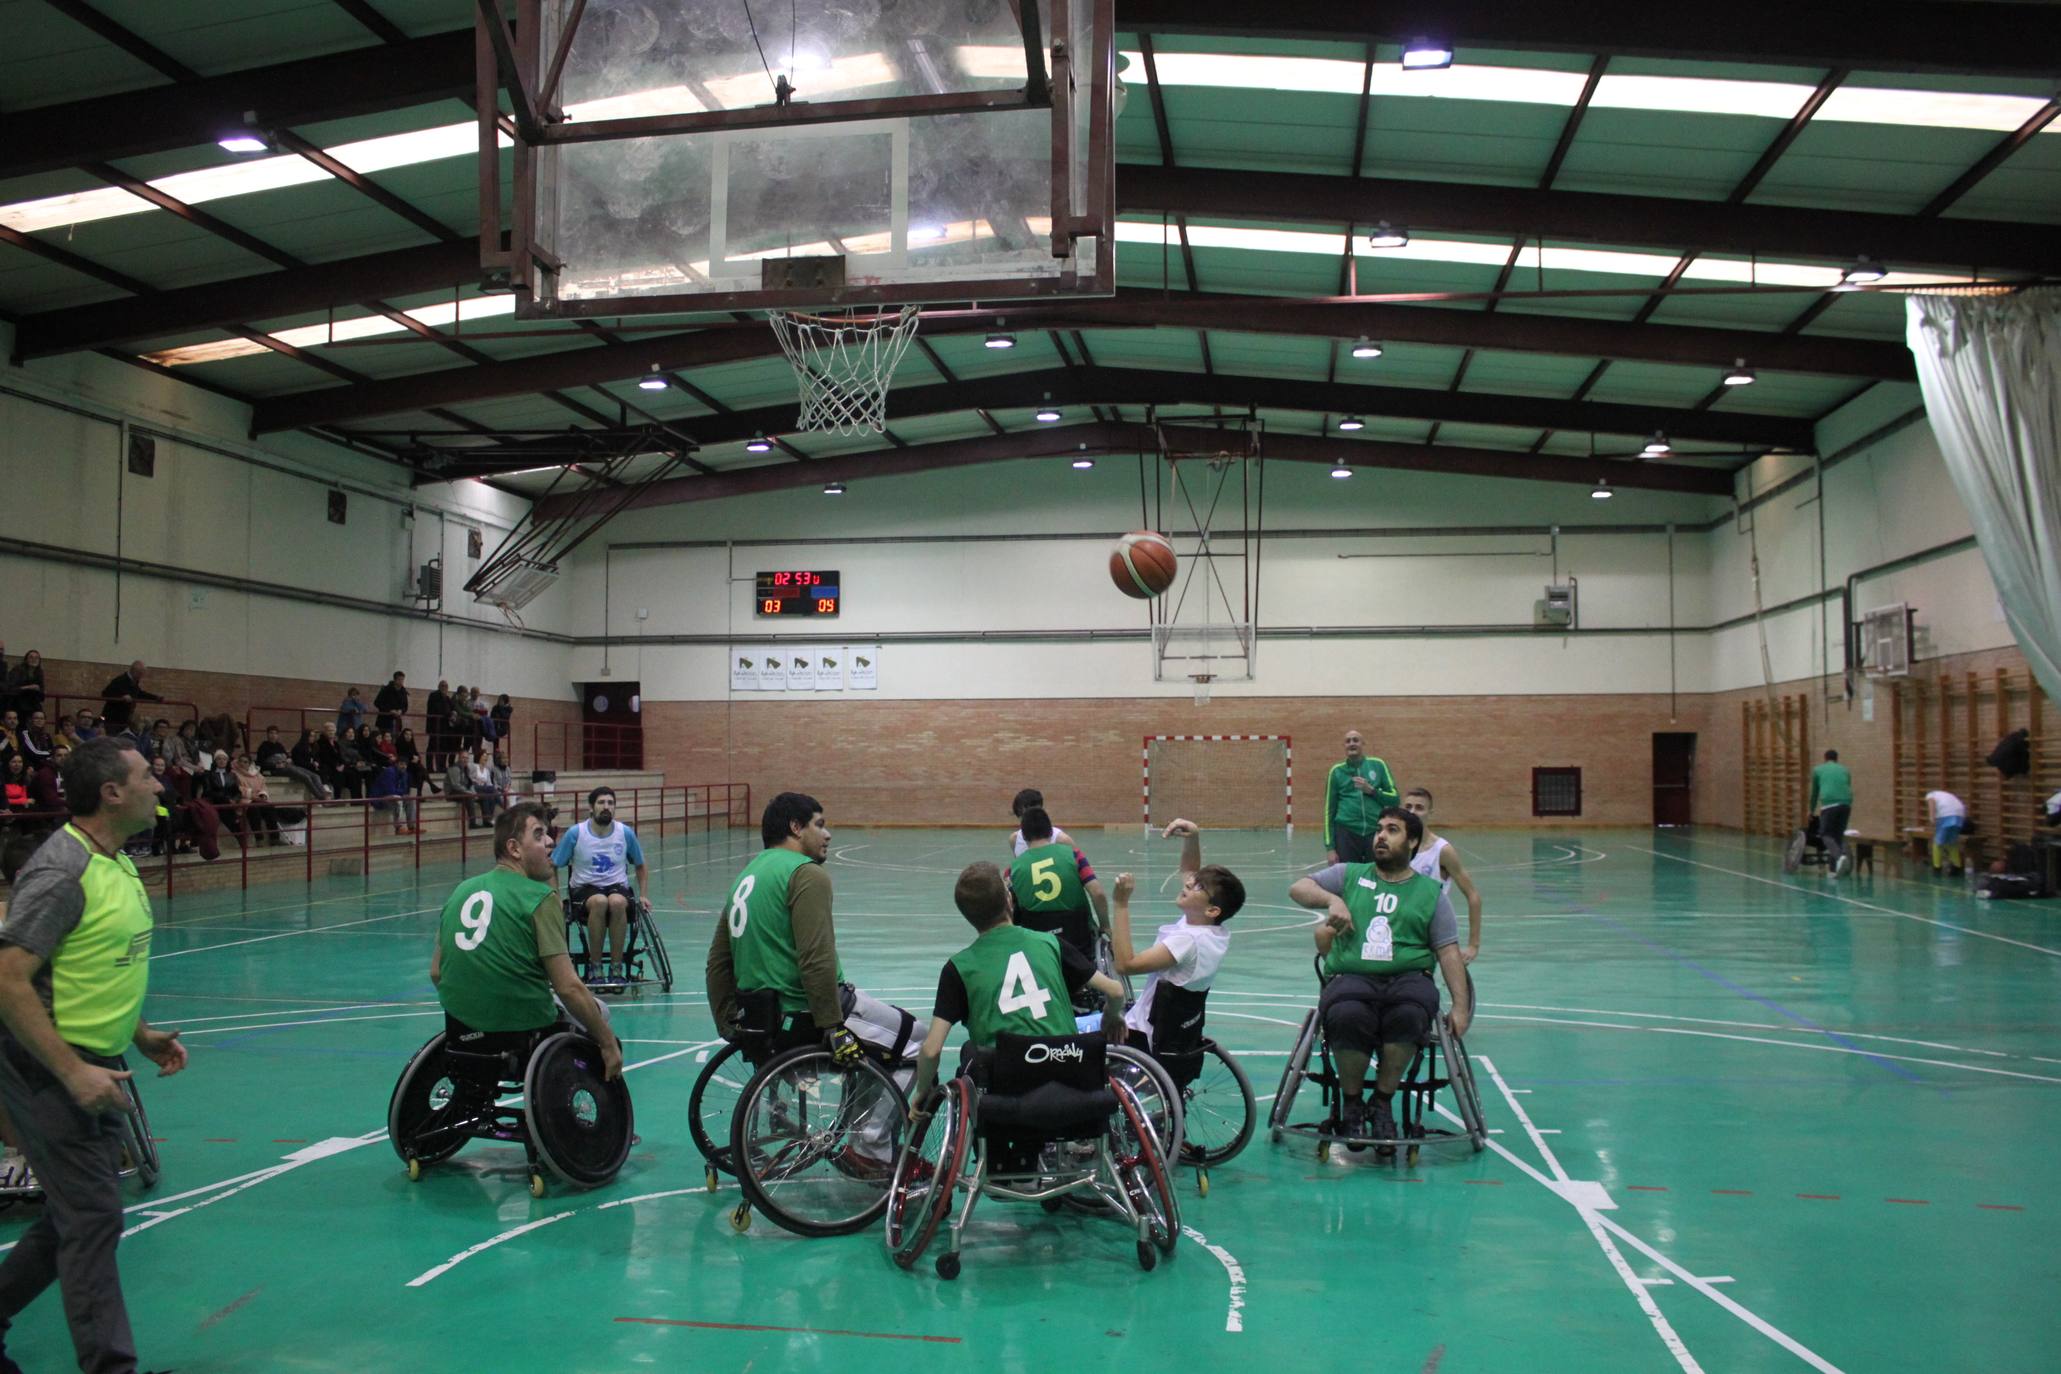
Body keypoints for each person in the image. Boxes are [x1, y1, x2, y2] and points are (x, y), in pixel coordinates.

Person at [0, 737, 189, 1373]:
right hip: (46, 1064)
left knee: (72, 1214)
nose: (158, 786)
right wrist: (71, 1070)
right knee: (92, 1218)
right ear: (111, 793)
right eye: (145, 778)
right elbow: (7, 979)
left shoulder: (117, 862)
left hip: (95, 1060)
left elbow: (95, 965)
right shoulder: (62, 871)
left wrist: (140, 1032)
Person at [1288, 806, 1470, 1155]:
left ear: (1412, 841)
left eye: (1393, 830)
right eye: (1379, 830)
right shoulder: (1349, 875)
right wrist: (1332, 899)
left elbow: (1448, 952)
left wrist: (1460, 1008)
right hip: (1353, 975)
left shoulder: (1431, 893)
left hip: (1408, 978)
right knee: (1347, 1014)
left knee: (1410, 1014)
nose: (1381, 836)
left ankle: (1382, 1102)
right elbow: (1297, 888)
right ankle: (1353, 1105)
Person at [706, 792, 926, 1069]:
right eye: (819, 825)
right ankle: (873, 1115)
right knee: (918, 1039)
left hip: (761, 1018)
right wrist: (833, 1027)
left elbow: (717, 962)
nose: (828, 834)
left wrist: (727, 1021)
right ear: (796, 828)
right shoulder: (806, 873)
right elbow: (816, 958)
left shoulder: (747, 875)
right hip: (803, 1013)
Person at [428, 802, 622, 1104]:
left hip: (460, 1028)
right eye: (539, 834)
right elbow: (569, 987)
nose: (550, 842)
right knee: (599, 1014)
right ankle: (571, 1111)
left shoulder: (461, 891)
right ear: (514, 848)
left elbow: (437, 972)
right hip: (520, 1027)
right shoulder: (540, 898)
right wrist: (607, 1043)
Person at [910, 860, 1128, 1105]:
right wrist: (1112, 1016)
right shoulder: (1049, 943)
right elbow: (1116, 990)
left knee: (971, 1053)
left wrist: (921, 1092)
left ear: (967, 916)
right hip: (1067, 1075)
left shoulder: (958, 968)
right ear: (1009, 901)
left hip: (1006, 1087)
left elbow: (931, 1050)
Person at [1107, 819, 1242, 1049]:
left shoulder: (1186, 942)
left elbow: (1125, 965)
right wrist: (1193, 837)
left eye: (1199, 887)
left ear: (1212, 910)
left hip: (1140, 1035)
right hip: (1177, 1036)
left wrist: (1121, 904)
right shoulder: (1212, 931)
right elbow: (1190, 872)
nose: (1189, 883)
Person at [552, 788, 651, 992]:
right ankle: (595, 967)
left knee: (617, 902)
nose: (606, 807)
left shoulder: (624, 833)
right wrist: (555, 895)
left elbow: (640, 865)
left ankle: (616, 969)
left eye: (610, 803)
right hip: (584, 889)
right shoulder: (576, 833)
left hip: (616, 886)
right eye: (601, 802)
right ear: (591, 807)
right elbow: (553, 865)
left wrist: (642, 894)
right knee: (599, 902)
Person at [1006, 807, 1109, 968]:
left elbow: (1006, 909)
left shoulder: (1012, 870)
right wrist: (1105, 926)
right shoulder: (1073, 855)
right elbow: (1098, 893)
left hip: (1037, 946)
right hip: (1078, 940)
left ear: (1024, 836)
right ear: (1050, 832)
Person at [1400, 787, 1485, 962]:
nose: (1412, 812)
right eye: (1408, 807)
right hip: (1400, 927)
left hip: (1430, 930)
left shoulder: (1442, 851)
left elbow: (1473, 896)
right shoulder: (1396, 846)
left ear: (1430, 813)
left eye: (1419, 807)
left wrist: (1473, 945)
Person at [1324, 729, 1400, 864]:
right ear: (1344, 746)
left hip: (1375, 832)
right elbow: (1329, 811)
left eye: (1355, 740)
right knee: (1349, 878)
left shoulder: (1378, 765)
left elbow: (1395, 799)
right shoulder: (1336, 772)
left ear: (1363, 743)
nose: (1352, 743)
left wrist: (1372, 790)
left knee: (1377, 876)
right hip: (1346, 833)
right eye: (1348, 741)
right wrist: (1330, 848)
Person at [1808, 750, 1855, 878]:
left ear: (1825, 758)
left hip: (1829, 804)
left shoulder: (1818, 770)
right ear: (1837, 759)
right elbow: (1846, 786)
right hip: (1846, 804)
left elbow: (1815, 793)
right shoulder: (1845, 770)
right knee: (1837, 836)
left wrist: (1811, 810)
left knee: (1825, 834)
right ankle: (1833, 870)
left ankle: (1840, 857)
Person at [257, 725, 327, 799]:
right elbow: (260, 763)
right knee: (306, 777)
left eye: (275, 733)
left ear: (278, 735)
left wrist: (289, 759)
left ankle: (325, 795)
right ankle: (321, 797)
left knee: (315, 776)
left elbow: (288, 756)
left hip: (287, 766)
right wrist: (275, 766)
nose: (273, 735)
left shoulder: (279, 745)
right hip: (276, 769)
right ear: (267, 734)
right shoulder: (263, 747)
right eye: (271, 733)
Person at [97, 661, 162, 735]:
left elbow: (139, 693)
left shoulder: (133, 681)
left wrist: (155, 697)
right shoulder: (120, 680)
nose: (142, 676)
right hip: (113, 718)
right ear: (134, 671)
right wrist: (121, 697)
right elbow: (105, 693)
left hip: (123, 718)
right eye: (141, 673)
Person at [1006, 787, 1073, 857]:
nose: (1028, 820)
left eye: (1033, 814)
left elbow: (1078, 865)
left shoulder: (1062, 840)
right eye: (1024, 816)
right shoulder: (1014, 839)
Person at [233, 754, 283, 846]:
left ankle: (275, 838)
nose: (243, 763)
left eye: (245, 762)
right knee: (254, 810)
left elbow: (263, 786)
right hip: (246, 800)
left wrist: (263, 795)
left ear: (250, 763)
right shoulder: (234, 773)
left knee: (270, 808)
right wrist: (252, 796)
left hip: (259, 799)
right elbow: (238, 788)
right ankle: (259, 839)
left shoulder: (256, 774)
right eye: (241, 761)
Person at [1924, 788, 1967, 875]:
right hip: (1959, 815)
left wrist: (1931, 818)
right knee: (1952, 842)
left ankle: (1937, 867)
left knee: (1938, 843)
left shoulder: (1930, 795)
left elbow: (1931, 803)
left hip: (1946, 815)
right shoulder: (1945, 794)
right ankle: (1956, 866)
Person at [443, 755, 487, 828]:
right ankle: (472, 823)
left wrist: (474, 793)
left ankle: (486, 821)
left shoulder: (466, 769)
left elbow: (470, 783)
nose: (465, 760)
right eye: (463, 757)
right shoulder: (454, 768)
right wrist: (469, 792)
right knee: (469, 797)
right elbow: (456, 785)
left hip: (463, 791)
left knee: (483, 797)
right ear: (459, 758)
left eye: (467, 758)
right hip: (452, 792)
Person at [2, 651, 44, 721]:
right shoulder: (17, 670)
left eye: (36, 658)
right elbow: (10, 688)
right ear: (26, 659)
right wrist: (28, 687)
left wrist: (39, 690)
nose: (34, 659)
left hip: (33, 704)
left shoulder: (39, 673)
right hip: (17, 703)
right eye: (31, 657)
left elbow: (42, 694)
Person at [466, 747, 502, 822]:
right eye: (484, 756)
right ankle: (503, 805)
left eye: (486, 757)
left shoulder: (487, 770)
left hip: (483, 790)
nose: (486, 758)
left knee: (491, 796)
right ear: (479, 757)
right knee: (492, 790)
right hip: (474, 788)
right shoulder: (474, 766)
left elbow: (489, 783)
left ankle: (488, 819)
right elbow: (468, 778)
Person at [425, 680, 452, 771]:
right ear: (439, 687)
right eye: (443, 686)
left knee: (443, 748)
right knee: (432, 747)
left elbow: (451, 709)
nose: (445, 688)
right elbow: (437, 709)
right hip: (434, 726)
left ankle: (441, 767)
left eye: (446, 686)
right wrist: (449, 714)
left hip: (444, 727)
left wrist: (453, 714)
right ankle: (429, 768)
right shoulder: (434, 696)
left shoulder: (447, 698)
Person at [373, 671, 408, 737]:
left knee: (396, 741)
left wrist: (401, 710)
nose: (401, 681)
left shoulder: (403, 692)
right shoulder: (386, 690)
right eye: (399, 679)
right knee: (385, 741)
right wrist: (389, 710)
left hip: (397, 721)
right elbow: (377, 702)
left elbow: (405, 706)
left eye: (402, 679)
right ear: (395, 680)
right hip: (384, 721)